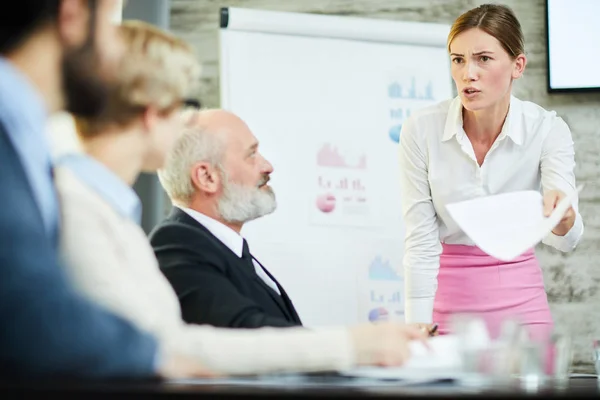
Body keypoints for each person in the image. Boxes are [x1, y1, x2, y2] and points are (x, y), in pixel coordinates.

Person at [56, 20, 428, 376]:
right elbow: (171, 349)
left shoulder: (109, 213)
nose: (182, 126)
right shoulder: (78, 210)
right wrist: (354, 346)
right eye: (179, 109)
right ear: (152, 115)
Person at [0, 0, 207, 379]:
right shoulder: (60, 184)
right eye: (112, 26)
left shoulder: (26, 142)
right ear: (73, 15)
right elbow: (28, 315)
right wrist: (153, 357)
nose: (116, 58)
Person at [398, 3, 584, 344]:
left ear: (517, 65)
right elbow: (420, 241)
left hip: (522, 302)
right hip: (446, 302)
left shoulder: (547, 129)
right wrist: (418, 326)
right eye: (458, 59)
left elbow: (568, 237)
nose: (468, 73)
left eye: (483, 58)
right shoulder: (420, 129)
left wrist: (562, 218)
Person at [151, 109, 303, 329]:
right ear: (206, 177)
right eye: (251, 155)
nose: (267, 166)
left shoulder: (228, 249)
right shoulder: (175, 244)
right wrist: (354, 343)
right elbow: (247, 333)